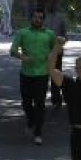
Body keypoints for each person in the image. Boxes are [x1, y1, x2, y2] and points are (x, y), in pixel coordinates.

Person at [10, 9, 56, 145]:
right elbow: (12, 51)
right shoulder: (22, 33)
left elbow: (56, 50)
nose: (37, 19)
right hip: (26, 74)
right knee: (26, 103)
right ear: (31, 18)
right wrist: (23, 57)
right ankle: (31, 120)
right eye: (35, 17)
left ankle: (38, 133)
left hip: (42, 74)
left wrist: (52, 55)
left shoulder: (49, 34)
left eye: (40, 17)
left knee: (40, 103)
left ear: (43, 20)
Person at [42, 1, 68, 107]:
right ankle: (40, 100)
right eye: (49, 2)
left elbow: (65, 35)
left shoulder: (60, 19)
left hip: (57, 52)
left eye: (53, 2)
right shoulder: (42, 18)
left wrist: (61, 43)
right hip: (43, 52)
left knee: (56, 75)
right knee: (42, 77)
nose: (51, 5)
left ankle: (56, 99)